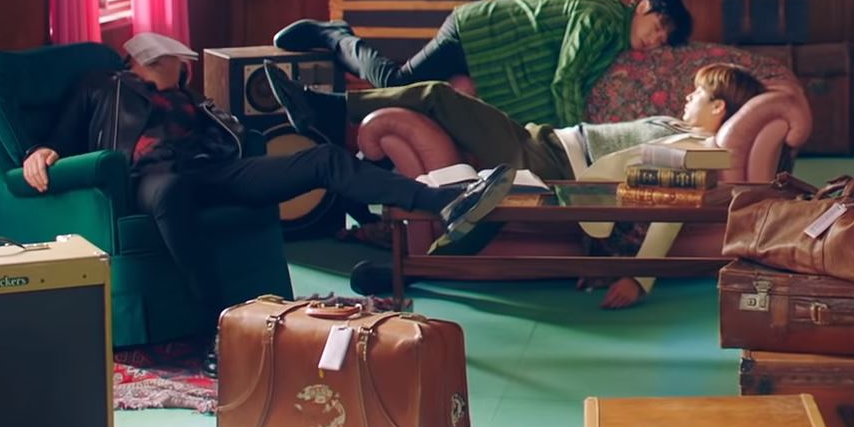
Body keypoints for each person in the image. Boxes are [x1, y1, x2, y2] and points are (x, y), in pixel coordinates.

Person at [21, 32, 515, 316]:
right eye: (160, 55)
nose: (170, 60)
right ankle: (219, 323)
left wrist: (186, 93)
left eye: (175, 58)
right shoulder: (101, 84)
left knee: (325, 160)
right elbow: (57, 137)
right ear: (132, 57)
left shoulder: (189, 97)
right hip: (150, 179)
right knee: (171, 191)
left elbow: (233, 136)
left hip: (213, 170)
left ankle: (446, 202)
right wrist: (38, 153)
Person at [266, 63, 767, 310]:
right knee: (475, 193)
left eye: (698, 92)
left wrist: (639, 277)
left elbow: (669, 202)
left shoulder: (698, 146)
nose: (687, 96)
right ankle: (411, 271)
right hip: (543, 144)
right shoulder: (676, 128)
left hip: (551, 162)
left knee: (440, 95)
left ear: (719, 107)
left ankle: (328, 110)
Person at [274, 0, 693, 127]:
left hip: (488, 57)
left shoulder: (614, 36)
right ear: (643, 6)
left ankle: (329, 102)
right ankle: (335, 35)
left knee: (422, 103)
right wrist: (572, 137)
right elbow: (566, 78)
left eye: (664, 39)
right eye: (658, 26)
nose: (656, 40)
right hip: (477, 36)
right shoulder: (602, 17)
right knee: (395, 82)